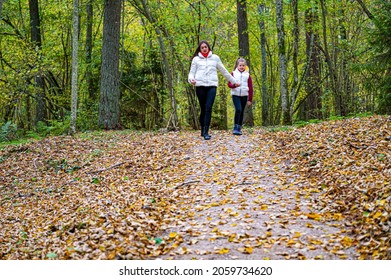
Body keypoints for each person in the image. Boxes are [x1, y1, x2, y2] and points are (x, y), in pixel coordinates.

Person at [188, 40, 239, 140]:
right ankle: (202, 129)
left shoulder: (215, 58)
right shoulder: (196, 59)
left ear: (208, 48)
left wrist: (233, 81)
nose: (204, 49)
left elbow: (224, 71)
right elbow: (191, 73)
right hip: (200, 86)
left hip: (212, 86)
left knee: (208, 108)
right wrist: (191, 80)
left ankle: (206, 131)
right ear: (200, 49)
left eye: (205, 47)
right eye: (202, 47)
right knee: (203, 108)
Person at [228, 57, 253, 136]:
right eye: (240, 65)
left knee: (242, 111)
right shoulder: (233, 73)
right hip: (235, 94)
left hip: (244, 95)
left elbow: (251, 87)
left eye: (243, 65)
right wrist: (234, 85)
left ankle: (239, 127)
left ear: (245, 66)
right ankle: (235, 127)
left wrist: (250, 99)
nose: (242, 67)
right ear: (237, 66)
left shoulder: (247, 75)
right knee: (238, 109)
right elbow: (229, 84)